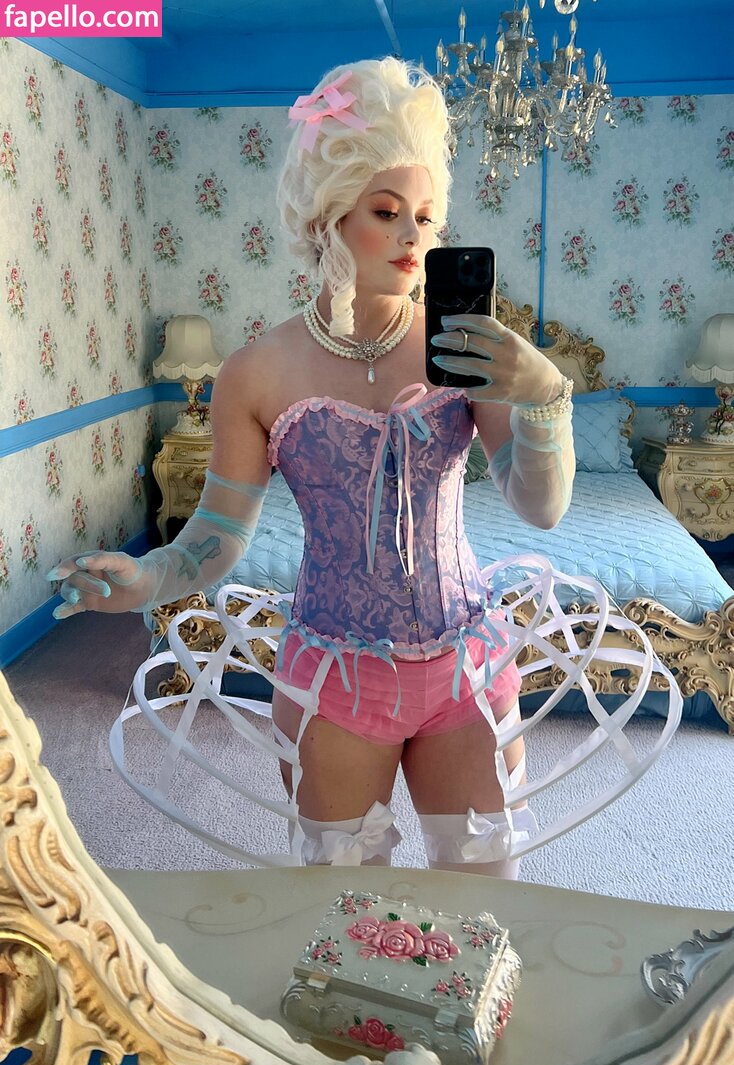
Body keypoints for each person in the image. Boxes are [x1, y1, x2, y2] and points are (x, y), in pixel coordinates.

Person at [48, 57, 678, 876]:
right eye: (387, 212)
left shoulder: (466, 350)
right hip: (335, 679)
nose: (415, 236)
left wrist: (547, 396)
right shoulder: (257, 371)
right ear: (329, 216)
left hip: (464, 664)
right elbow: (217, 534)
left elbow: (541, 506)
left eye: (427, 216)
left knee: (485, 891)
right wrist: (146, 579)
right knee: (345, 905)